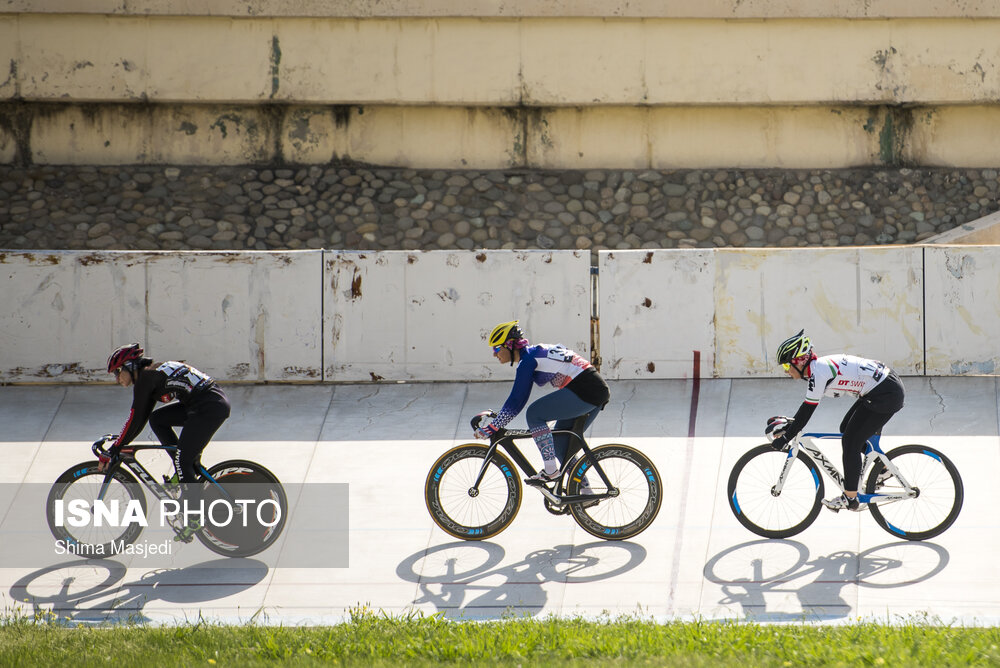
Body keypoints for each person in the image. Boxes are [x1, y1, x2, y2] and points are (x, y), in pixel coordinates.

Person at [101, 343, 231, 541]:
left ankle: (194, 517)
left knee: (183, 460)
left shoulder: (146, 378)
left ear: (130, 366)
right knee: (158, 420)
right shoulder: (150, 376)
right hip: (205, 403)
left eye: (118, 372)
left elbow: (135, 419)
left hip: (208, 407)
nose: (117, 378)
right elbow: (143, 418)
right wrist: (118, 443)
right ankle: (182, 473)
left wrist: (114, 448)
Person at [768, 329, 905, 512]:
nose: (786, 371)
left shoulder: (819, 372)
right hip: (882, 388)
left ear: (799, 361)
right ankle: (882, 469)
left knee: (851, 442)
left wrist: (786, 439)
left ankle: (850, 498)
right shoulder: (817, 369)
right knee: (845, 429)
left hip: (885, 393)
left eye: (786, 366)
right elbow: (805, 411)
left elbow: (808, 409)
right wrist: (792, 426)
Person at [475, 320, 610, 487]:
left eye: (496, 348)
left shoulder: (528, 361)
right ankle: (585, 491)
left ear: (509, 345)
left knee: (534, 414)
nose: (494, 354)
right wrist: (497, 423)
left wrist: (493, 426)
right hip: (592, 389)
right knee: (561, 445)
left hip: (586, 389)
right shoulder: (533, 355)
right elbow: (519, 399)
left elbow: (517, 400)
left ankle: (551, 470)